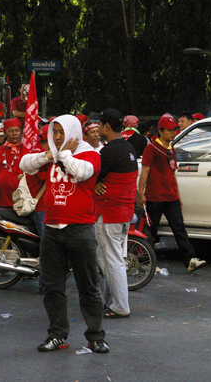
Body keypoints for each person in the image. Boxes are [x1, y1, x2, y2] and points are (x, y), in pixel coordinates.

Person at [19, 115, 109, 354]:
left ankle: (95, 337)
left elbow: (83, 171)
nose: (58, 137)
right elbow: (25, 164)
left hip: (80, 230)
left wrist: (64, 155)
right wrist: (52, 154)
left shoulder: (90, 153)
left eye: (62, 132)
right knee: (52, 287)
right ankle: (57, 335)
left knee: (88, 286)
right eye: (54, 132)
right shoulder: (52, 153)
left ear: (73, 131)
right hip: (51, 229)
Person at [137, 115, 206, 272]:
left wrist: (178, 197)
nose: (173, 133)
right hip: (155, 197)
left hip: (171, 197)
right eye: (169, 130)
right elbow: (145, 171)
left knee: (179, 228)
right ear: (160, 131)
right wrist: (141, 193)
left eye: (174, 129)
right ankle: (145, 261)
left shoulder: (171, 149)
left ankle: (190, 260)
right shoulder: (152, 148)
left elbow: (172, 174)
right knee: (150, 231)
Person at [94, 109, 138, 318]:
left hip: (110, 213)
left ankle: (120, 305)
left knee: (112, 261)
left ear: (107, 127)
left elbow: (91, 177)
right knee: (108, 260)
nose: (99, 128)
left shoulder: (108, 152)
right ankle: (110, 302)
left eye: (100, 125)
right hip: (123, 213)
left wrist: (97, 183)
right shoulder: (128, 148)